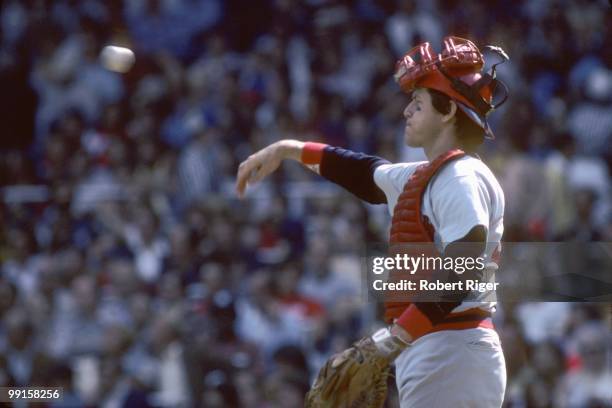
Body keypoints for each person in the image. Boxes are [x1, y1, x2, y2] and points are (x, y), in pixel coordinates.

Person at [236, 36, 509, 407]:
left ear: (447, 112)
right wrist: (290, 150)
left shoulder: (460, 176)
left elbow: (465, 265)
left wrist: (395, 337)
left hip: (453, 347)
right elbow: (367, 175)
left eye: (418, 102)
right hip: (437, 346)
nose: (406, 112)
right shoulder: (430, 174)